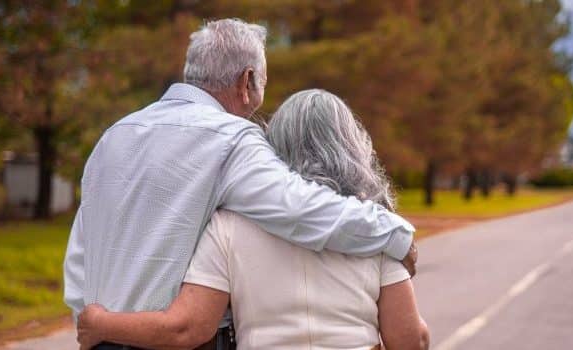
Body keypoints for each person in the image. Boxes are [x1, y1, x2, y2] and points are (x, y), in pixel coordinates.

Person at [63, 19, 418, 349]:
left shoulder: (115, 136)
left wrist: (93, 321)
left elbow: (82, 248)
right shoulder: (232, 138)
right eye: (263, 83)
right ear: (246, 81)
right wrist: (394, 232)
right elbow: (300, 209)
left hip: (101, 336)